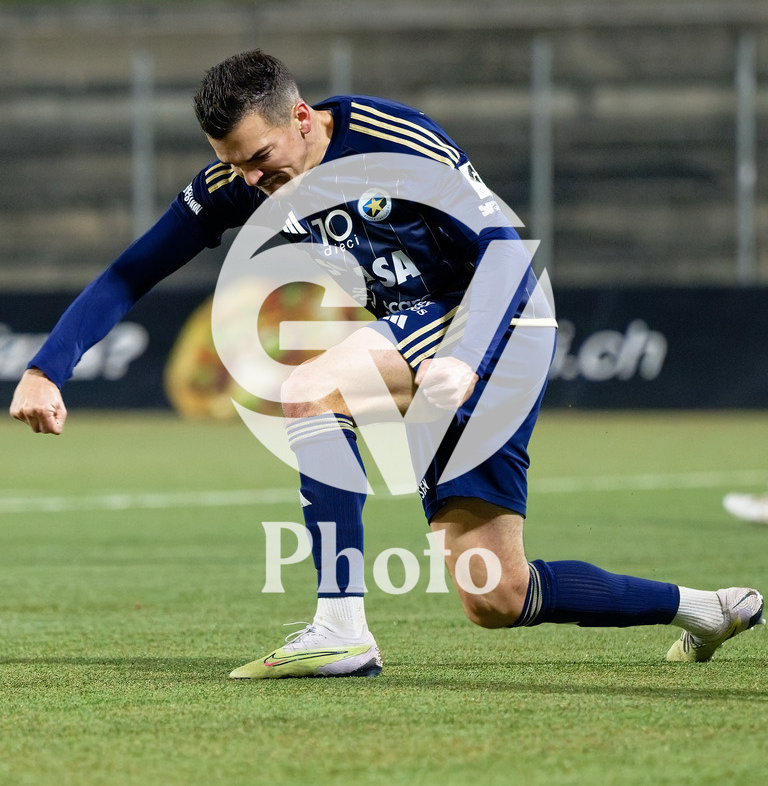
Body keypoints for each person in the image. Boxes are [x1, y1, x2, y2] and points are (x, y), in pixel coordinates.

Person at [10, 49, 764, 678]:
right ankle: (704, 607)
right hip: (428, 340)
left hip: (498, 313)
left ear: (300, 118)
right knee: (494, 595)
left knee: (309, 388)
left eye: (259, 159)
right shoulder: (244, 178)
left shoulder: (393, 141)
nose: (249, 182)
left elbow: (503, 248)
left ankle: (341, 628)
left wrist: (466, 358)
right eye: (233, 166)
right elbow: (130, 272)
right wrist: (49, 367)